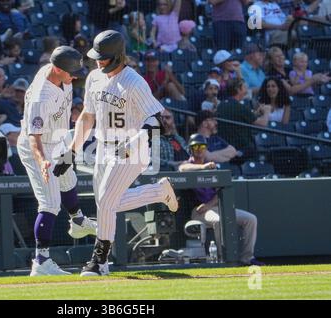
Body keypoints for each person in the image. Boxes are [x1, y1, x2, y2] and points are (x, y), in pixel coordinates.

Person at [53, 30, 180, 276]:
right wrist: (71, 152)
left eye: (104, 57)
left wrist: (132, 143)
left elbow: (156, 123)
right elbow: (87, 117)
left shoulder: (134, 81)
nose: (99, 61)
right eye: (96, 56)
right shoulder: (93, 78)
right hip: (104, 147)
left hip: (132, 150)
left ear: (119, 55)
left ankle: (99, 261)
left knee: (108, 202)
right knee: (106, 204)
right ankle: (158, 191)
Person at [17, 46, 98, 276]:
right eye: (71, 71)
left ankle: (78, 221)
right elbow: (34, 137)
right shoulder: (41, 95)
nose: (75, 76)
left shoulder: (58, 73)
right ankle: (41, 261)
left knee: (68, 179)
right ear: (57, 68)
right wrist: (42, 160)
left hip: (57, 139)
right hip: (38, 147)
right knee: (50, 203)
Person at [179, 133, 264, 266]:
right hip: (198, 211)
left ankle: (247, 258)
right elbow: (182, 168)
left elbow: (220, 192)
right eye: (195, 147)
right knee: (218, 221)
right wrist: (202, 168)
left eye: (202, 146)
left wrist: (209, 204)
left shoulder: (212, 166)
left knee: (250, 219)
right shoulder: (189, 165)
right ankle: (222, 258)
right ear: (191, 149)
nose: (199, 149)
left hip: (215, 207)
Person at [217, 78, 271, 161]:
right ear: (238, 89)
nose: (247, 89)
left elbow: (242, 117)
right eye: (244, 87)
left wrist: (257, 113)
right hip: (241, 149)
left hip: (226, 146)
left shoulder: (222, 104)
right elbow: (262, 124)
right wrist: (267, 111)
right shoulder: (238, 106)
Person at [264, 46, 330, 96]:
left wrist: (318, 80)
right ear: (271, 61)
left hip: (303, 97)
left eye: (281, 55)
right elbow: (290, 91)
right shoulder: (272, 74)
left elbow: (305, 84)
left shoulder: (289, 70)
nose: (281, 58)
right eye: (277, 57)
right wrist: (312, 80)